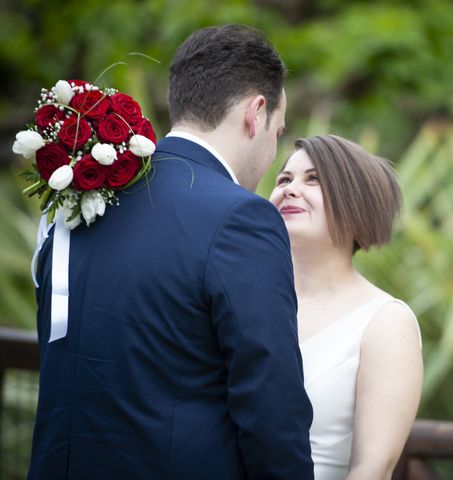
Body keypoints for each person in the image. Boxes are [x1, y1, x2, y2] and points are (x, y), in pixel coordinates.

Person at [29, 25, 314, 479]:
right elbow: (270, 409)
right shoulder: (242, 219)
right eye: (277, 132)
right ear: (256, 113)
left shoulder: (81, 200)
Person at [269, 134, 424, 480]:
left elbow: (372, 469)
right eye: (284, 179)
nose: (291, 189)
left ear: (356, 202)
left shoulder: (386, 322)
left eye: (314, 179)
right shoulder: (241, 297)